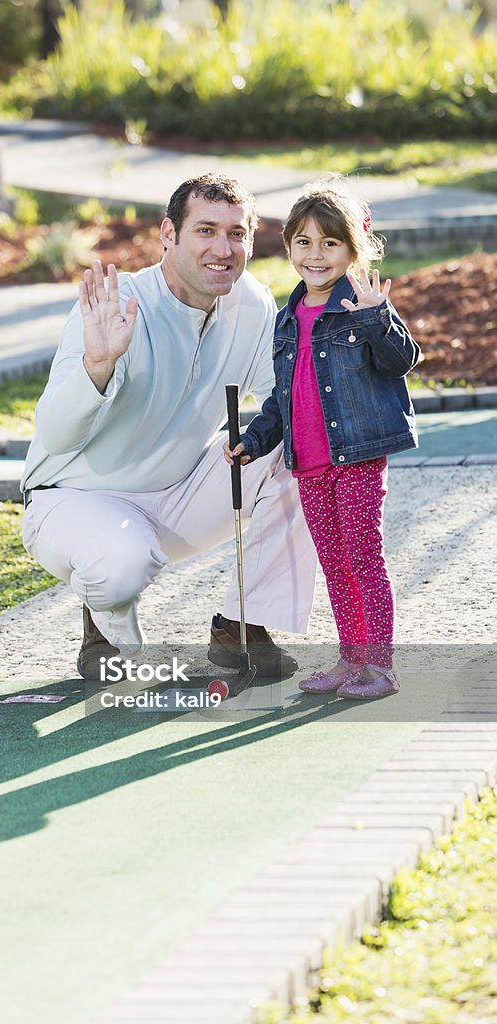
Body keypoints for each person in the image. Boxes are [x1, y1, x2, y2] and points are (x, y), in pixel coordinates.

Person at [21, 173, 317, 679]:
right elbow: (55, 435)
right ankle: (105, 624)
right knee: (119, 564)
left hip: (181, 495)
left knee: (309, 449)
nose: (222, 249)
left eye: (236, 233)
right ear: (168, 234)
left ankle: (241, 625)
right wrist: (98, 363)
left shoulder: (251, 302)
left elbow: (282, 399)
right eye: (205, 230)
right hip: (74, 499)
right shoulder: (116, 306)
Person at [224, 178, 420, 700]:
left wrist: (377, 316)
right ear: (288, 247)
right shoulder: (288, 318)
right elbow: (282, 399)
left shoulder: (362, 304)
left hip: (355, 456)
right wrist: (255, 439)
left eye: (330, 243)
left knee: (363, 555)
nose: (316, 255)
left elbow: (403, 361)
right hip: (308, 463)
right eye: (304, 243)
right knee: (334, 562)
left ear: (353, 250)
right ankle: (350, 659)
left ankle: (379, 666)